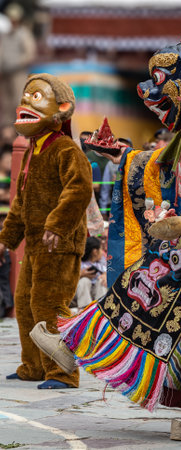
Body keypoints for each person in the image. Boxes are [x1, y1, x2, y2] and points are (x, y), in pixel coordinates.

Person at [31, 24, 181, 439]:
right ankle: (79, 346)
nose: (155, 99)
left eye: (164, 89)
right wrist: (122, 155)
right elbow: (155, 162)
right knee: (152, 304)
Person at [0, 73, 93, 389]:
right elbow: (20, 202)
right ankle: (34, 366)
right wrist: (6, 240)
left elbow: (79, 189)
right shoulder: (32, 151)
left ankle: (63, 372)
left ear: (62, 108)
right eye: (25, 96)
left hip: (60, 244)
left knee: (49, 305)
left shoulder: (66, 149)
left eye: (35, 96)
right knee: (24, 302)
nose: (25, 101)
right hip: (37, 246)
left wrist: (57, 224)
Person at [0, 3, 36, 128]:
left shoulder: (24, 34)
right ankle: (7, 129)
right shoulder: (6, 35)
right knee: (6, 102)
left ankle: (20, 127)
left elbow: (29, 54)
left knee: (18, 100)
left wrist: (14, 64)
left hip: (18, 73)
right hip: (5, 73)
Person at [75, 237, 107, 311]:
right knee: (84, 280)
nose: (102, 252)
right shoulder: (79, 263)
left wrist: (105, 275)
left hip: (97, 292)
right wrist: (80, 275)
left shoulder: (102, 261)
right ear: (95, 251)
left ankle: (101, 308)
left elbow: (110, 270)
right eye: (101, 249)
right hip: (83, 294)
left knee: (101, 281)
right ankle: (84, 309)